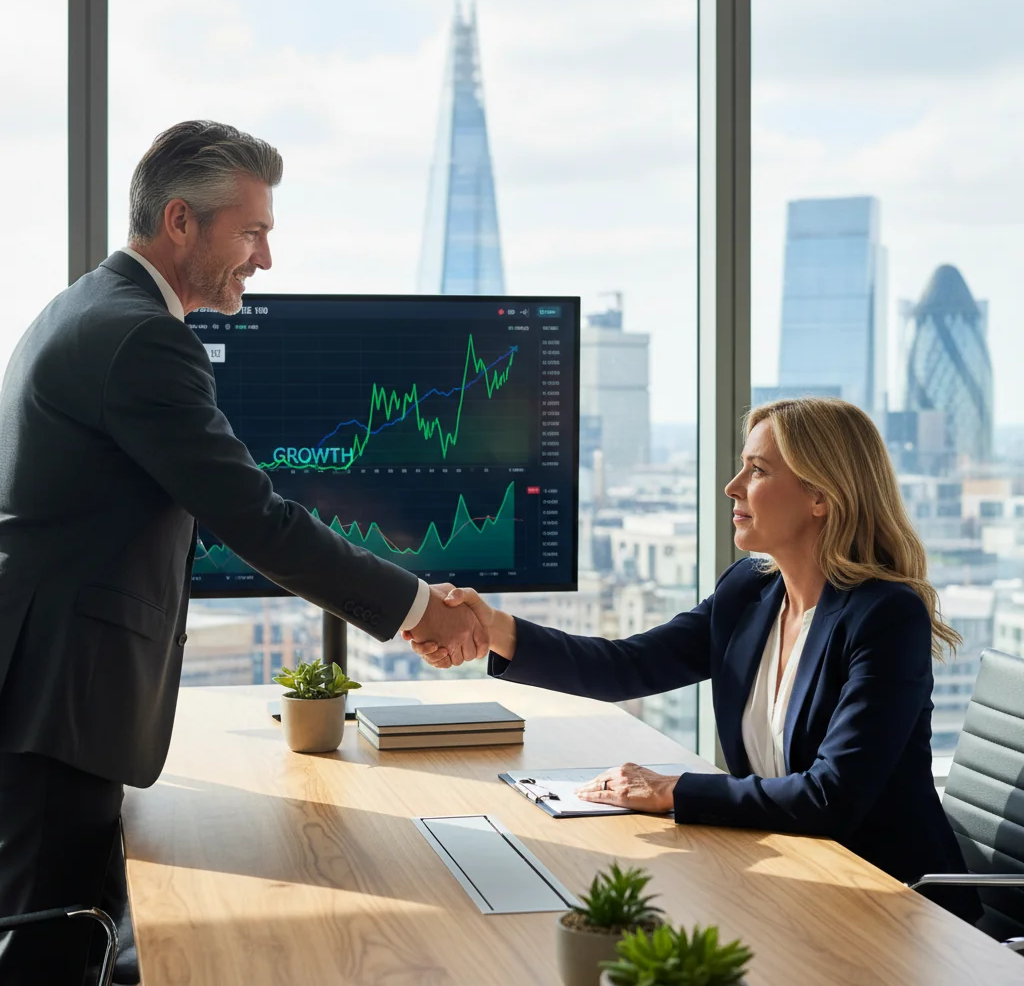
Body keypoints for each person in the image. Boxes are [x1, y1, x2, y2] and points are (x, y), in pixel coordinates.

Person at [0, 120, 487, 985]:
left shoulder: (88, 305)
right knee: (49, 948)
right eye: (251, 232)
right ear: (180, 220)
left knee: (77, 934)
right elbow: (256, 520)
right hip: (59, 701)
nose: (264, 258)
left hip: (51, 689)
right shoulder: (142, 337)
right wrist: (419, 607)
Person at [409, 396, 981, 923]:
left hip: (891, 900)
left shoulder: (885, 616)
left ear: (820, 497)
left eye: (757, 470)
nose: (732, 487)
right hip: (794, 878)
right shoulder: (750, 592)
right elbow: (627, 667)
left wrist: (673, 789)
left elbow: (830, 796)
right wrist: (494, 629)